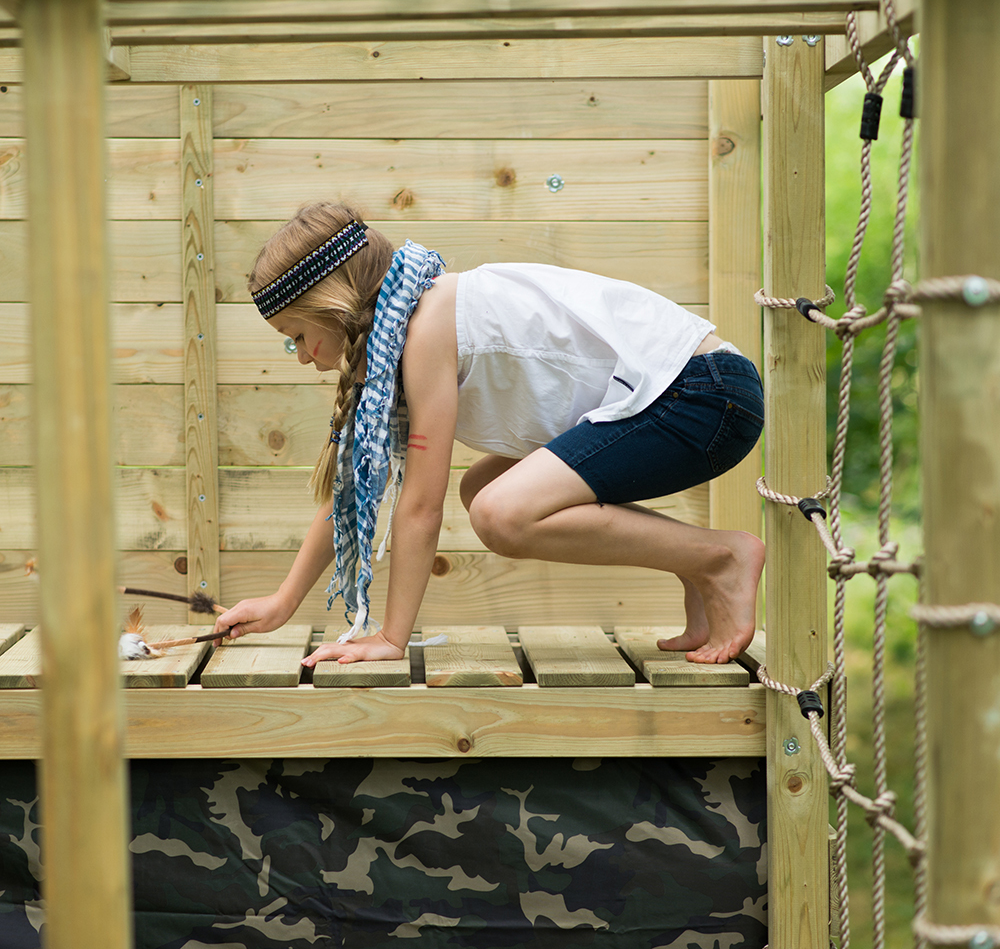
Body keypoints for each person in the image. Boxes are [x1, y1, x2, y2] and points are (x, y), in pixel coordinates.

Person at [212, 201, 765, 667]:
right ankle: (694, 561)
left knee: (501, 511)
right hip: (690, 396)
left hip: (703, 396)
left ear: (332, 305)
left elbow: (420, 505)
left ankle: (720, 558)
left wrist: (390, 638)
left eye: (298, 336)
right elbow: (353, 491)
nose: (303, 357)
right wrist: (283, 602)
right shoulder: (406, 323)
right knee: (482, 490)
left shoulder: (426, 325)